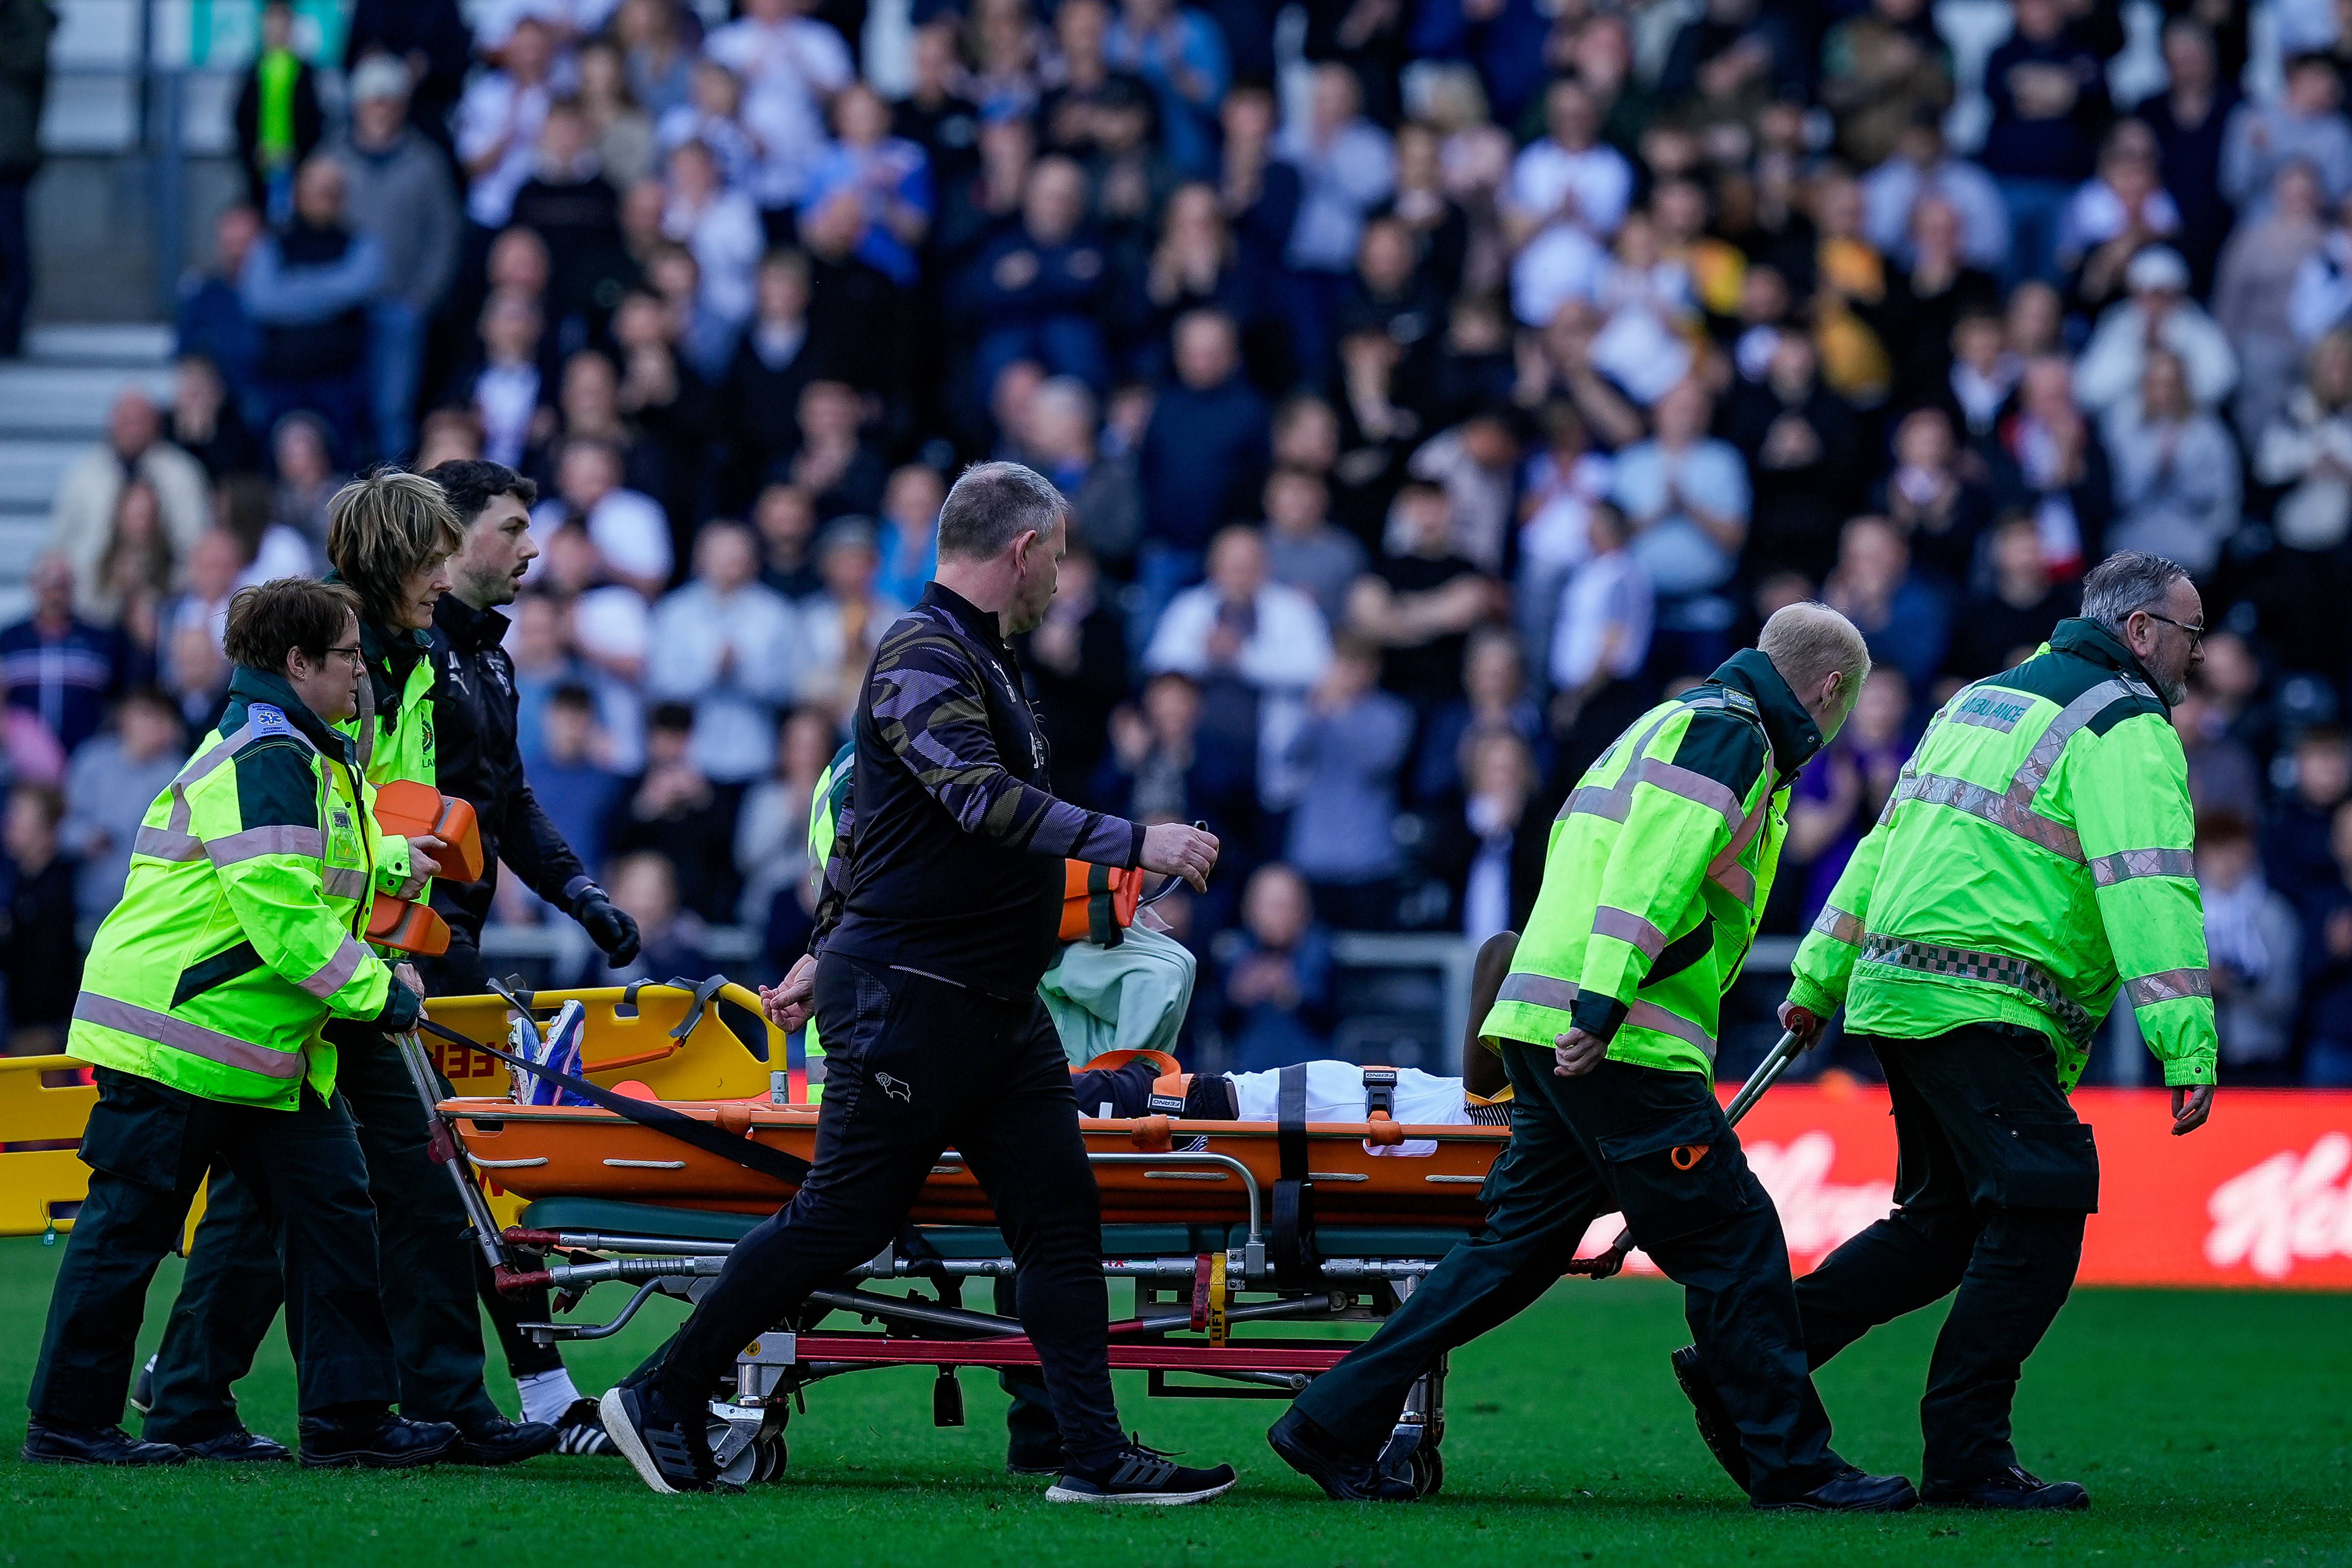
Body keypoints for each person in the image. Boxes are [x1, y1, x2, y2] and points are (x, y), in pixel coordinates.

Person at [600, 462, 1237, 1503]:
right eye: (1059, 560)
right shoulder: (921, 649)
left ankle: (1090, 1454)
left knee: (1060, 1215)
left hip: (986, 1002)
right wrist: (1137, 840)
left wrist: (819, 942)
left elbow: (866, 836)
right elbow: (976, 799)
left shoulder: (976, 658)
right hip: (915, 998)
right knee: (840, 1220)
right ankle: (661, 1391)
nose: (1061, 583)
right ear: (1023, 549)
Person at [1268, 603, 1918, 1515]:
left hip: (1543, 1025)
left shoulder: (1670, 720)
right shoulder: (1732, 737)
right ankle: (1795, 1466)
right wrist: (1606, 1005)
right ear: (1831, 690)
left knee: (1508, 1256)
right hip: (1617, 1039)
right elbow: (1646, 879)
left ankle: (1329, 1419)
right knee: (1737, 1245)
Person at [1751, 552, 2220, 1511]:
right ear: (2139, 632)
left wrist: (1819, 974)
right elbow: (2147, 882)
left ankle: (1746, 1357)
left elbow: (1885, 842)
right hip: (1985, 1003)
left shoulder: (1980, 700)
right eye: (2188, 634)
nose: (2195, 656)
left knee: (1941, 1229)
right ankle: (1965, 1454)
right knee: (2044, 1203)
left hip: (1898, 993)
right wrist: (2187, 1039)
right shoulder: (2126, 723)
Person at [137, 474, 557, 1467]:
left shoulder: (400, 654)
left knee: (333, 1189)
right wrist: (386, 883)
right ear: (399, 558)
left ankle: (216, 1395)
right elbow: (307, 813)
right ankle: (394, 1406)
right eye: (435, 556)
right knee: (371, 1184)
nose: (445, 574)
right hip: (312, 964)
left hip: (347, 954)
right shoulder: (340, 653)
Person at [23, 577, 455, 1469]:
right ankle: (69, 1424)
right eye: (345, 659)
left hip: (248, 1043)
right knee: (129, 1231)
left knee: (335, 1215)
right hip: (180, 1038)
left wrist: (397, 862)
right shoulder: (271, 757)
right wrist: (383, 995)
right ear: (297, 663)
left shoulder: (298, 750)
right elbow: (284, 914)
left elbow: (323, 871)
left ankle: (348, 1424)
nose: (359, 675)